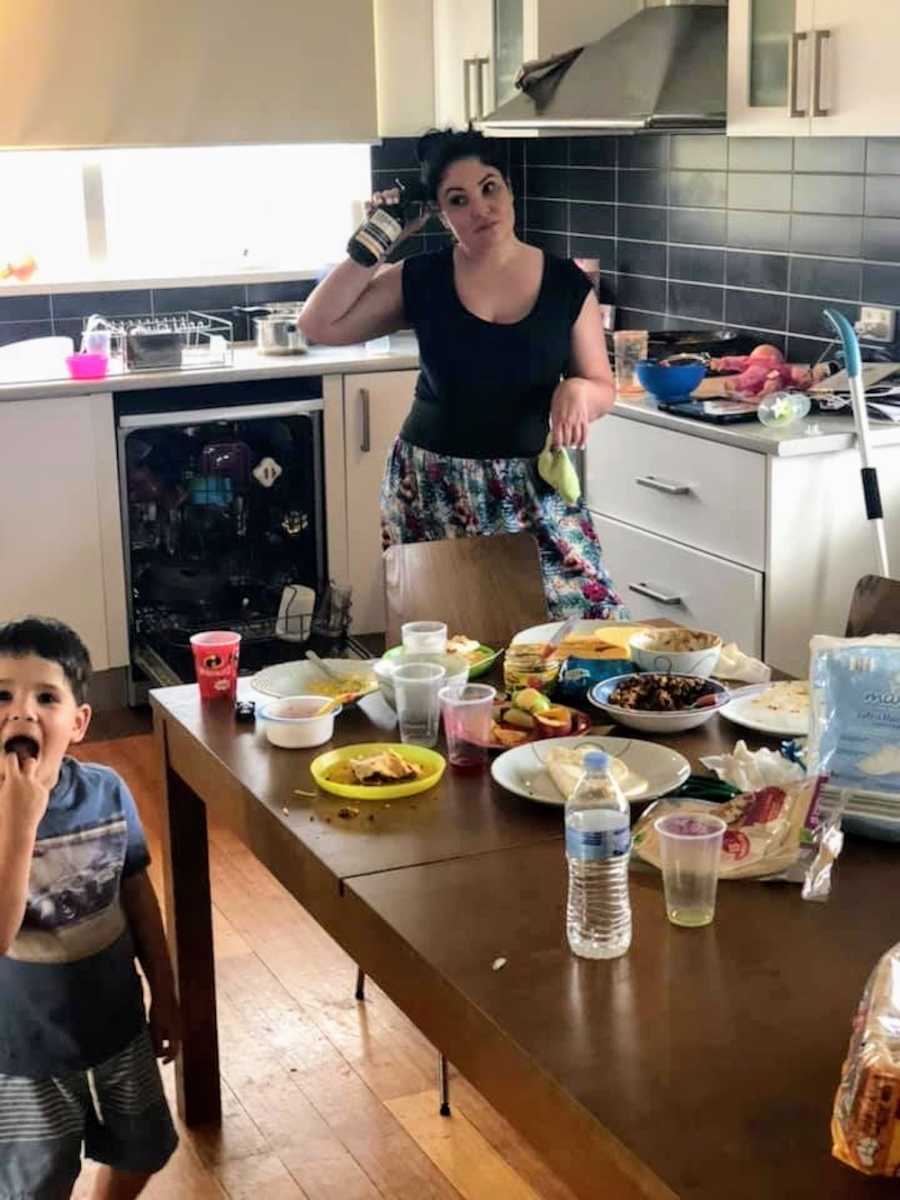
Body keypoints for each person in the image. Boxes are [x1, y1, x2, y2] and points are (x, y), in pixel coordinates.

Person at [300, 128, 627, 620]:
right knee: (446, 649)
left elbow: (603, 388)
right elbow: (318, 324)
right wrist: (380, 240)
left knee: (587, 624)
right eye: (459, 200)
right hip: (429, 485)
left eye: (490, 187)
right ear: (441, 213)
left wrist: (580, 389)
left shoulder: (566, 284)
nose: (481, 208)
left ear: (509, 189)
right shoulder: (422, 277)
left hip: (530, 489)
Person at [0, 617, 179, 1199]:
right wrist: (20, 823)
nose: (21, 712)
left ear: (78, 723)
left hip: (117, 1026)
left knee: (146, 1147)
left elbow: (138, 897)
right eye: (2, 695)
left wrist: (168, 995)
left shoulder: (105, 792)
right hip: (23, 1051)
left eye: (45, 697)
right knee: (38, 1184)